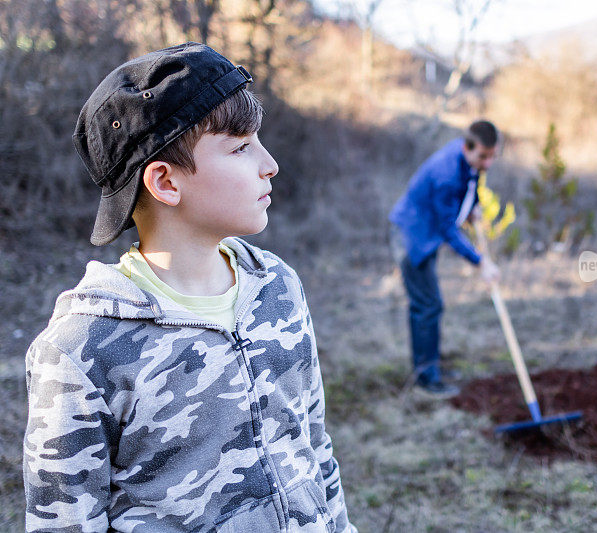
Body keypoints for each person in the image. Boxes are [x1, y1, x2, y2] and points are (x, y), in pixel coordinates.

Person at [23, 43, 356, 532]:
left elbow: (313, 445)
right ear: (166, 182)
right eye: (241, 147)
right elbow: (65, 523)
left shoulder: (278, 289)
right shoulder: (81, 352)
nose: (270, 164)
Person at [389, 120, 501, 398]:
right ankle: (426, 377)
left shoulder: (466, 160)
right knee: (427, 305)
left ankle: (432, 366)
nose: (487, 163)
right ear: (467, 147)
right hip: (411, 236)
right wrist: (480, 262)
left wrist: (472, 206)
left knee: (431, 304)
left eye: (492, 156)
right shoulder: (447, 173)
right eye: (483, 157)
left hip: (424, 232)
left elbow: (471, 183)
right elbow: (448, 229)